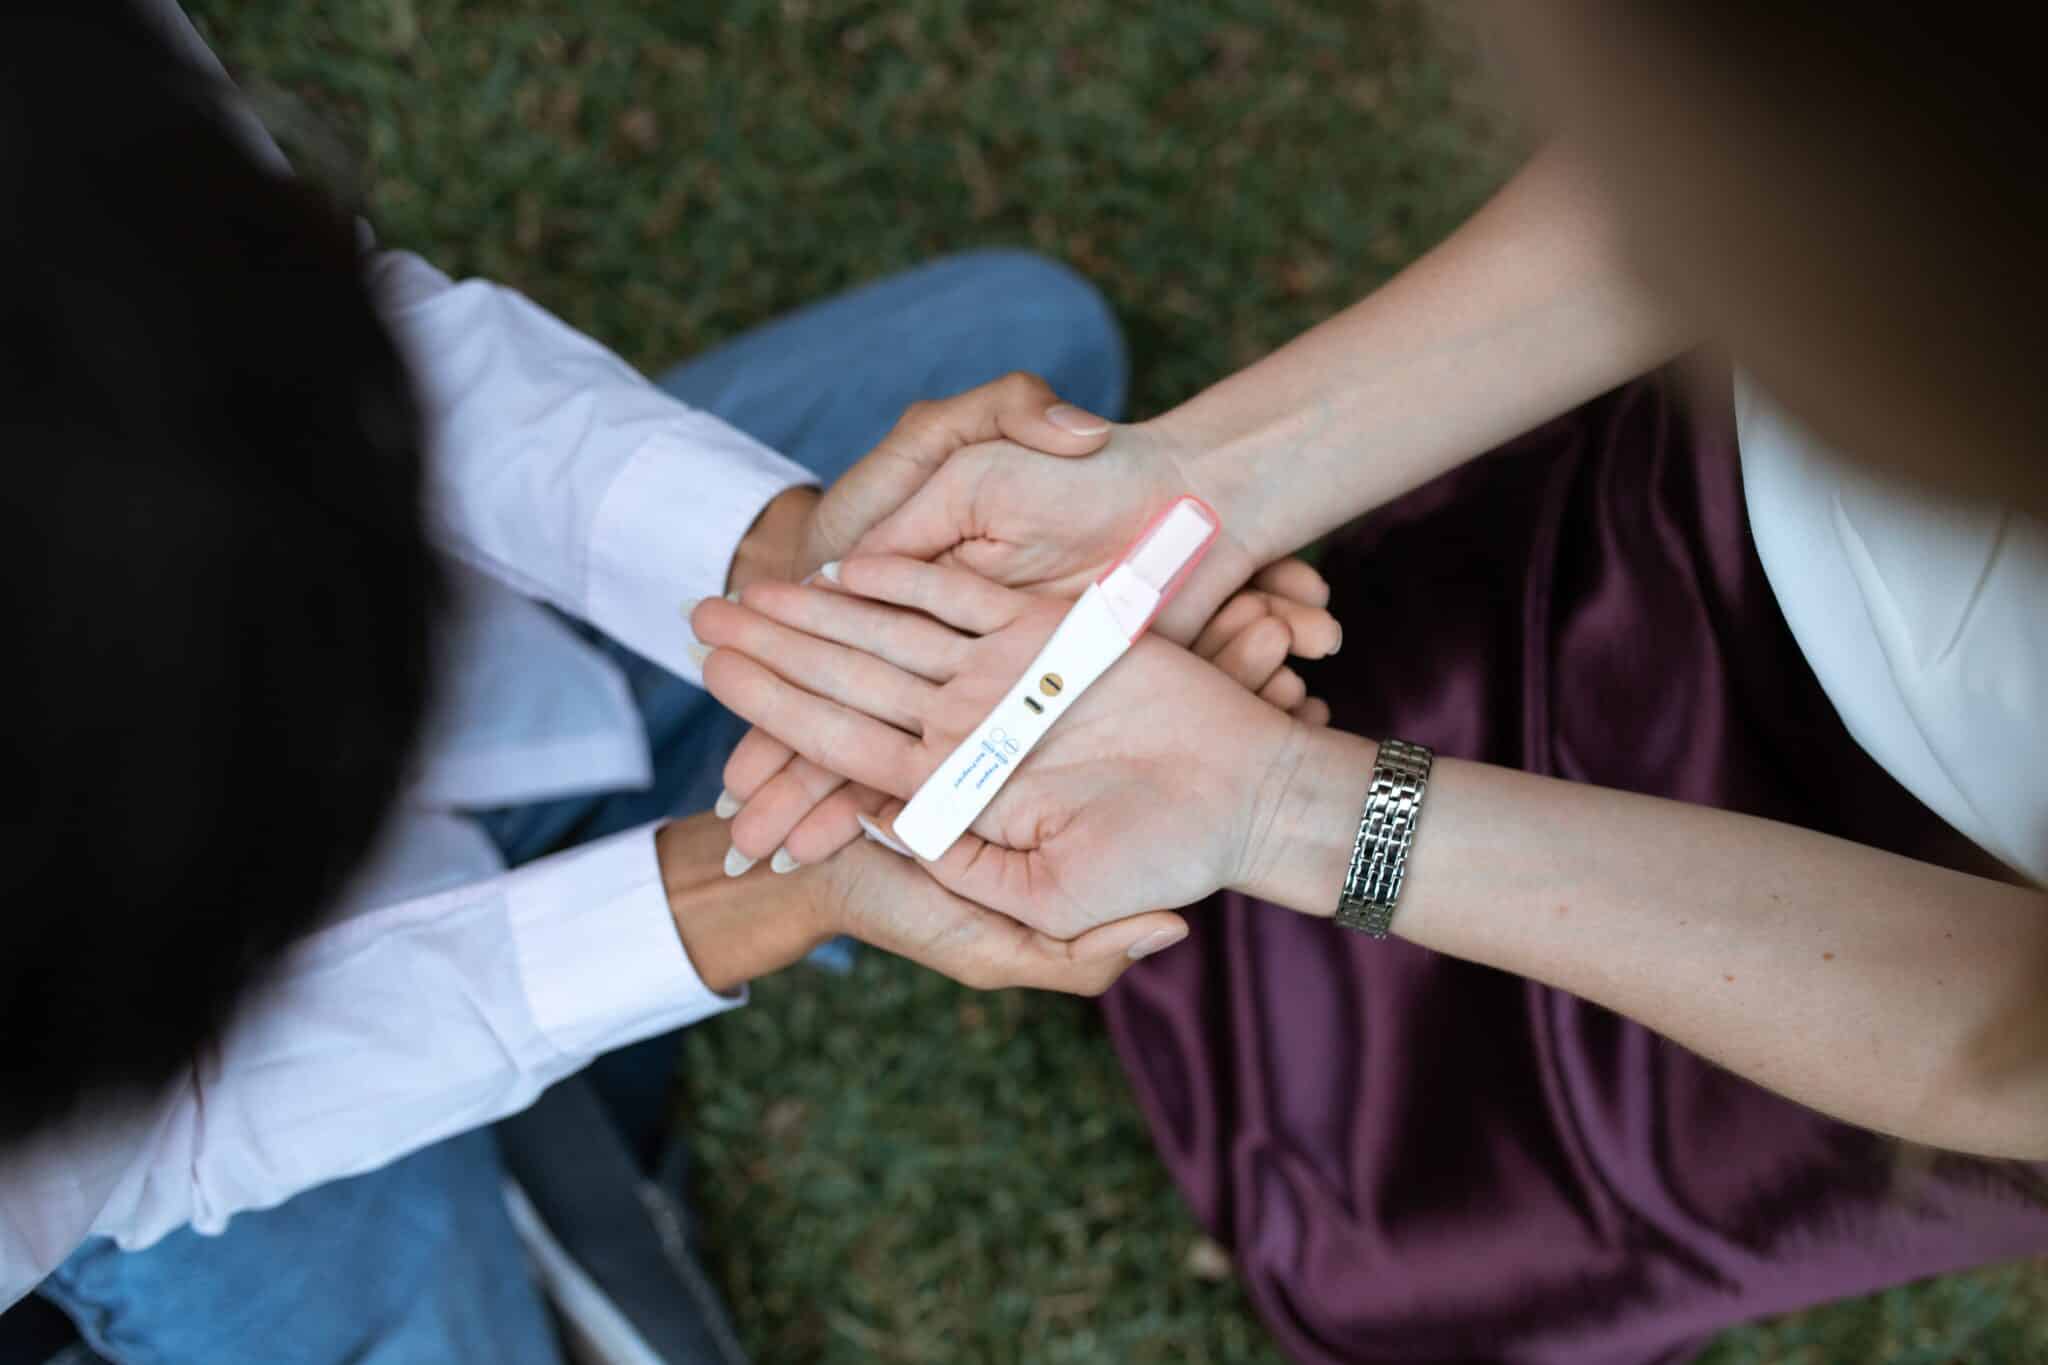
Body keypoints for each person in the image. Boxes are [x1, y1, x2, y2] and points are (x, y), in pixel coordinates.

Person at [696, 4, 2048, 1362]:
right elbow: (1789, 142)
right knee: (1411, 646)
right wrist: (1204, 490)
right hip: (1692, 515)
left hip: (1879, 955)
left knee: (1505, 1176)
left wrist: (1292, 809)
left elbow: (2006, 1055)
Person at [0, 4, 1336, 1362]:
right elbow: (185, 1125)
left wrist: (790, 567)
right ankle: (531, 1203)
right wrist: (773, 892)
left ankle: (557, 1094)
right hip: (205, 1116)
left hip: (433, 723)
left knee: (1028, 344)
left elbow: (313, 325)